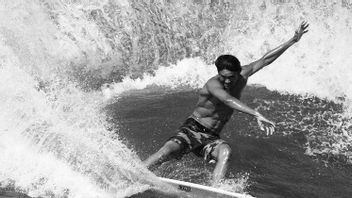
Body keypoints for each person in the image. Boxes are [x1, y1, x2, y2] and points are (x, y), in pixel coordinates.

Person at [144, 22, 309, 184]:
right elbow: (228, 100)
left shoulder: (244, 74)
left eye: (231, 77)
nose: (227, 81)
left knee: (225, 152)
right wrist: (256, 114)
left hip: (211, 137)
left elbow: (265, 60)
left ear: (239, 72)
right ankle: (139, 173)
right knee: (167, 151)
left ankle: (215, 192)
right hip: (192, 129)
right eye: (223, 77)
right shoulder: (213, 84)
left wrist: (293, 40)